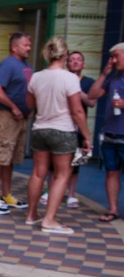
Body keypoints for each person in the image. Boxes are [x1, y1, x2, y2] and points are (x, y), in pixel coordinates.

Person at [24, 37, 90, 235]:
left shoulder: (36, 77)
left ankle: (31, 214)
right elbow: (78, 111)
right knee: (63, 175)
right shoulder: (70, 78)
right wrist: (86, 136)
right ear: (66, 55)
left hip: (40, 129)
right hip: (63, 130)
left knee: (38, 172)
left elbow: (29, 104)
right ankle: (49, 220)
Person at [39, 50, 97, 208]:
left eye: (79, 60)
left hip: (78, 128)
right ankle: (49, 191)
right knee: (53, 164)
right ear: (67, 63)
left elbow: (91, 102)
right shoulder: (60, 78)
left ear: (83, 64)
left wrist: (76, 90)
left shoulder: (88, 82)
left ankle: (71, 195)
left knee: (76, 164)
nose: (75, 62)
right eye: (72, 60)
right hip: (60, 127)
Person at [0, 32, 33, 215]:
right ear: (15, 47)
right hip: (6, 117)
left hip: (21, 119)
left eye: (30, 45)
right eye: (25, 45)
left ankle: (7, 195)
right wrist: (13, 107)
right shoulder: (8, 65)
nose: (29, 48)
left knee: (10, 158)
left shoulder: (26, 66)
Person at [89, 43, 124, 222]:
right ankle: (113, 209)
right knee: (111, 172)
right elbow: (93, 95)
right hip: (110, 133)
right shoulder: (113, 78)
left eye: (117, 56)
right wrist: (104, 74)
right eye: (112, 57)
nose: (114, 60)